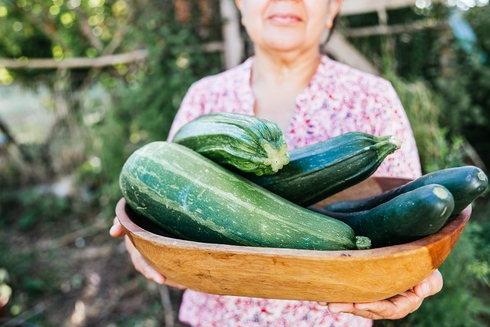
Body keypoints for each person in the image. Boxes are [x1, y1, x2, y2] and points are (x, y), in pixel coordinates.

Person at [110, 0, 444, 325]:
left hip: (331, 318)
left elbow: (406, 216)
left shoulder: (373, 98)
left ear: (333, 8)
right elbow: (164, 193)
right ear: (240, 6)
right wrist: (141, 233)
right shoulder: (204, 97)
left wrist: (416, 273)